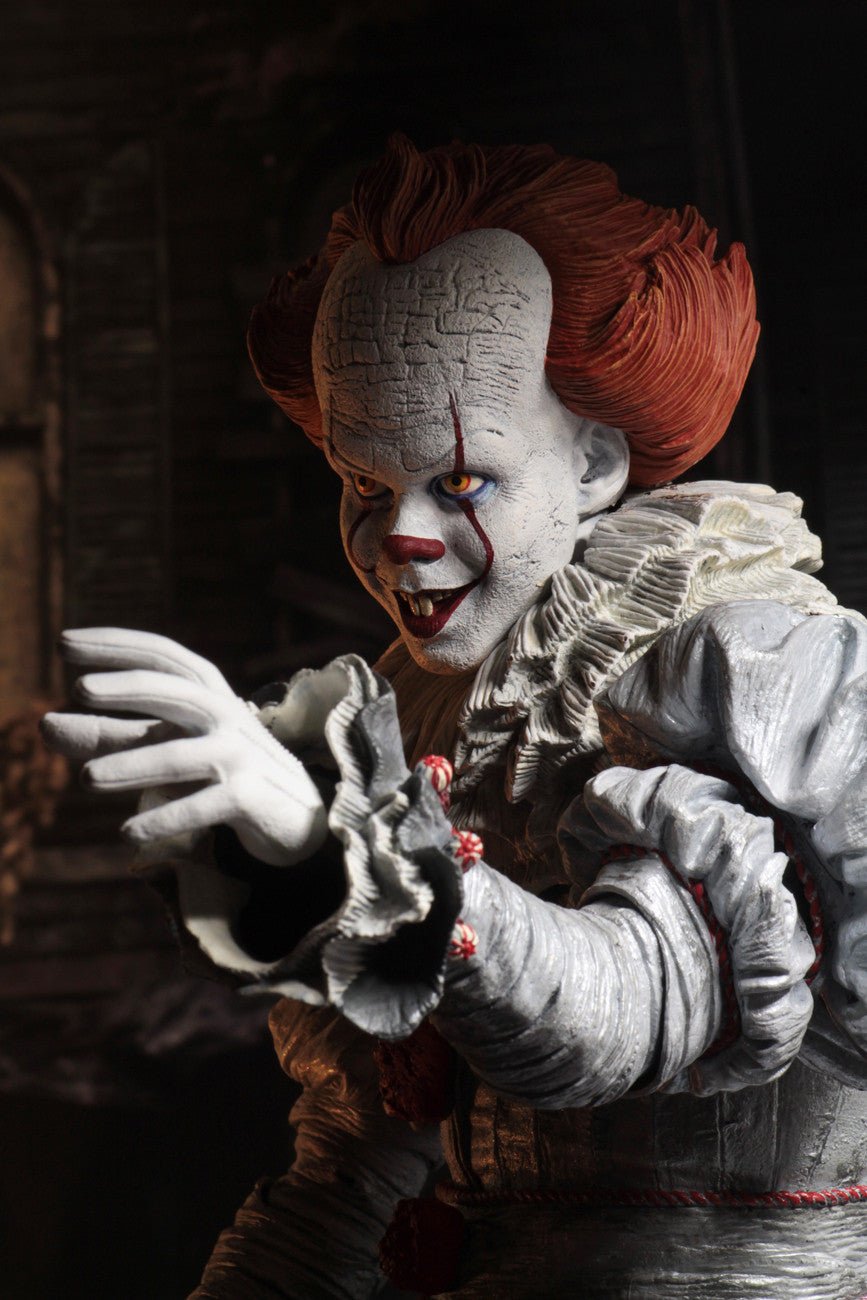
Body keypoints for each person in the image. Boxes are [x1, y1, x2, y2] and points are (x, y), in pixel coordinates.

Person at [44, 137, 867, 1299]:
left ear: (596, 462)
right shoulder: (426, 713)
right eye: (365, 483)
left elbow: (638, 1003)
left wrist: (370, 858)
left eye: (462, 481)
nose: (399, 536)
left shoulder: (759, 676)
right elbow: (357, 1170)